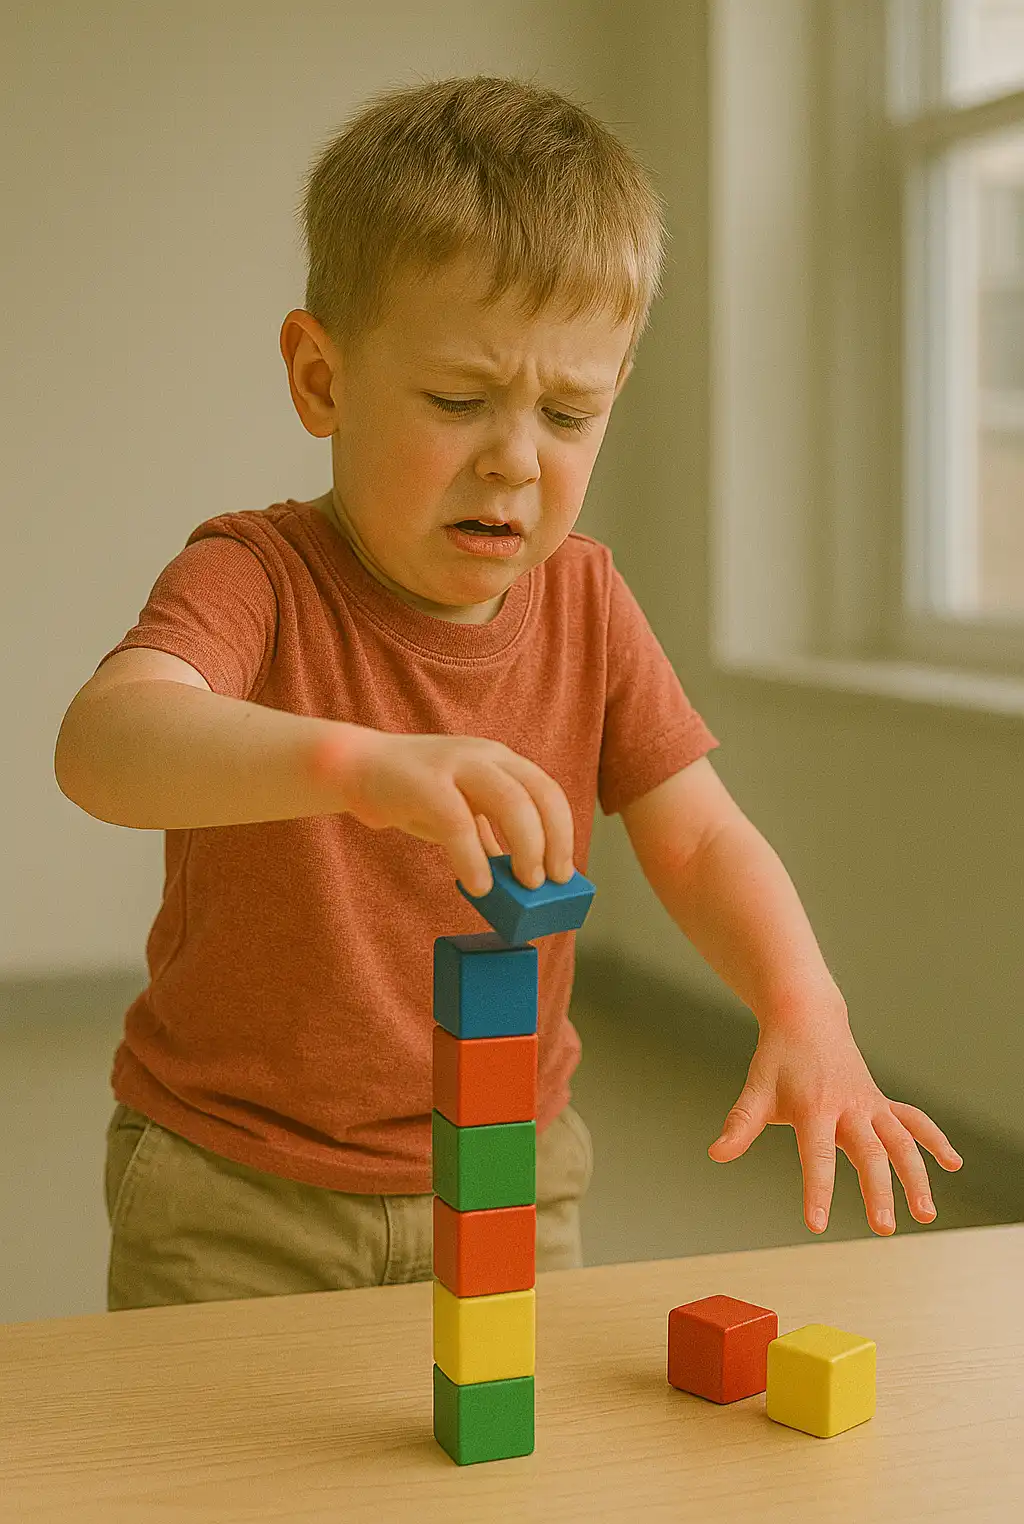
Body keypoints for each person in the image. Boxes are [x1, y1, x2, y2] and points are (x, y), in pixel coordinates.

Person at [54, 75, 962, 1311]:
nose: (514, 459)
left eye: (570, 413)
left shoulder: (586, 600)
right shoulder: (252, 574)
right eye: (459, 400)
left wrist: (806, 1007)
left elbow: (695, 835)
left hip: (511, 1172)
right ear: (321, 380)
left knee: (506, 1481)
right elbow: (105, 744)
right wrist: (362, 764)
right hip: (236, 1188)